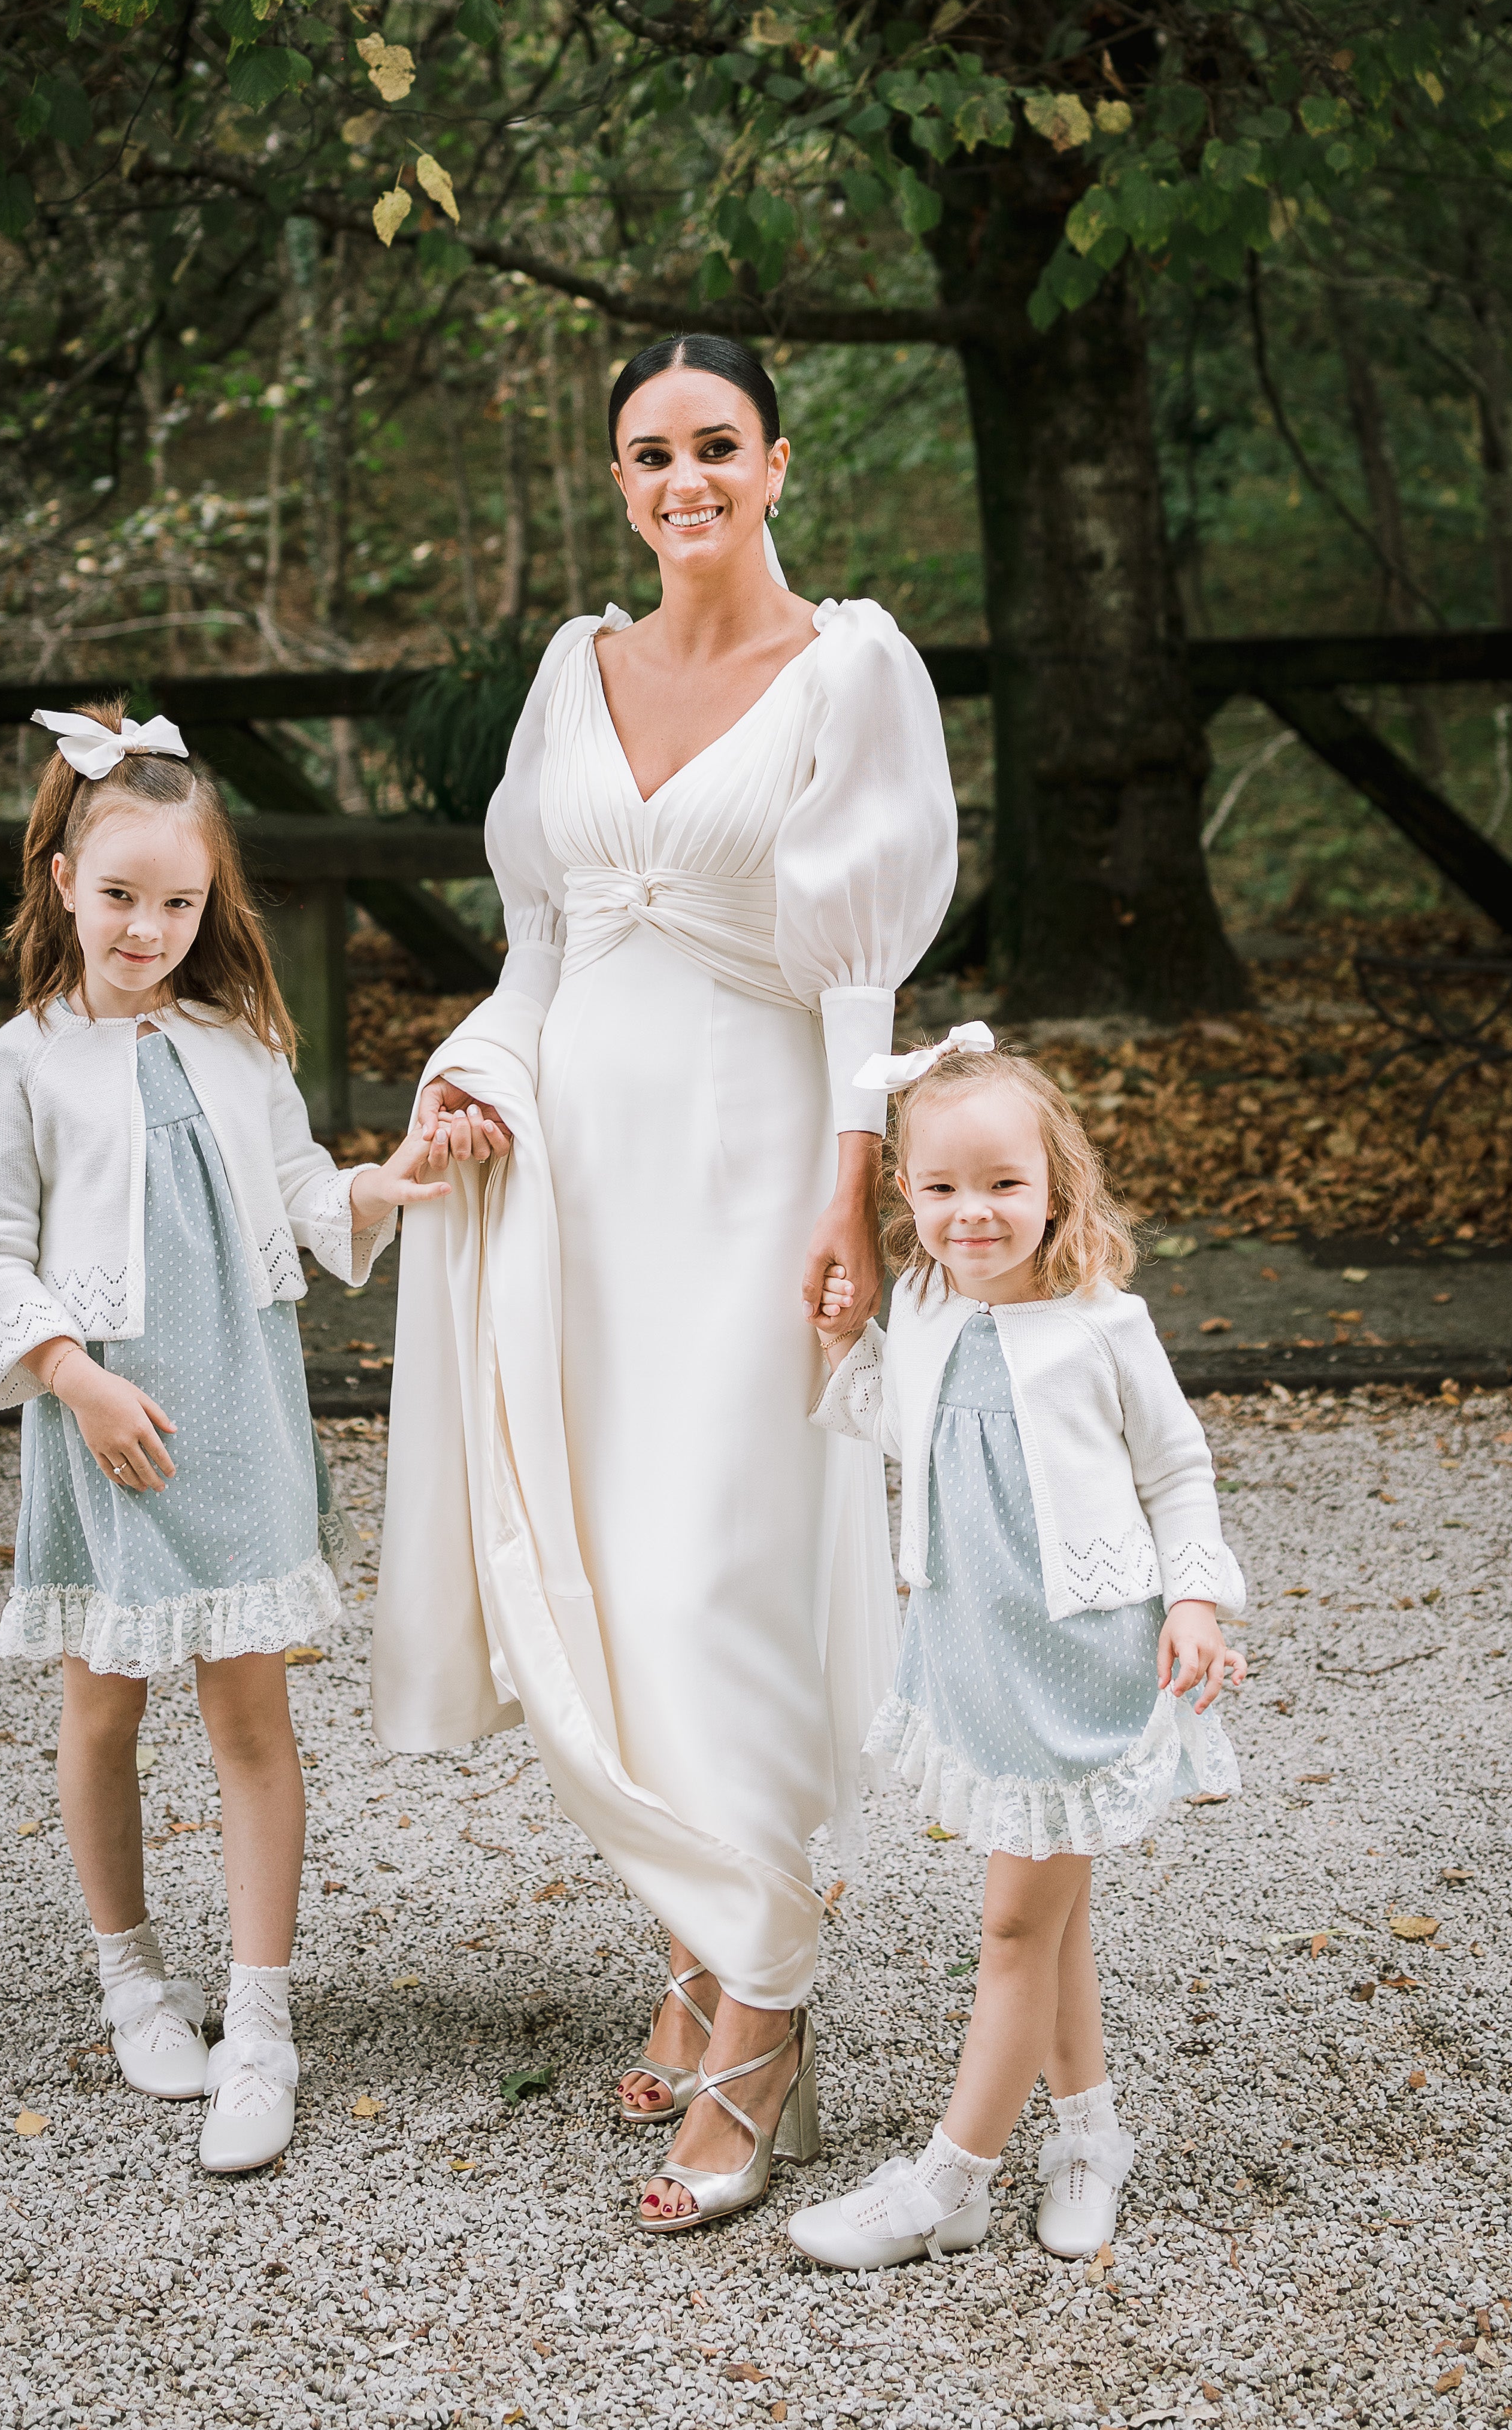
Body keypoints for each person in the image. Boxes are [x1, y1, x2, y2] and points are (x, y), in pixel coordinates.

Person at [372, 331, 959, 2233]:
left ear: (779, 462)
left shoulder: (851, 668)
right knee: (618, 1569)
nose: (683, 477)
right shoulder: (572, 667)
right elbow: (537, 946)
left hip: (755, 1158)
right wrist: (475, 1075)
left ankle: (766, 2017)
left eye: (717, 444)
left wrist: (851, 1197)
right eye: (649, 452)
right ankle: (703, 1940)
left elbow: (862, 972)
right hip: (578, 1176)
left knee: (720, 1564)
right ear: (616, 480)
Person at [0, 699, 488, 2173]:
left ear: (212, 901)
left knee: (252, 1717)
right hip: (111, 1419)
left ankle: (264, 2020)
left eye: (179, 900)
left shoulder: (243, 1042)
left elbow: (306, 1199)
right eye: (120, 894)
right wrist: (72, 1372)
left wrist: (389, 1179)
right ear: (62, 878)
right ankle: (134, 1975)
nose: (149, 926)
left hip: (239, 1409)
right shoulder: (28, 1060)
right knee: (106, 1708)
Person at [787, 1030, 1247, 2268]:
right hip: (973, 1647)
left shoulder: (1103, 1323)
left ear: (1058, 1182)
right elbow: (911, 1434)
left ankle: (951, 2178)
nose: (972, 1212)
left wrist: (1196, 1601)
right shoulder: (932, 1307)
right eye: (940, 1187)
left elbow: (1180, 1466)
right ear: (907, 1195)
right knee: (1053, 1920)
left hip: (1081, 1661)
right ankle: (1090, 2138)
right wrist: (848, 1345)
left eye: (1002, 1183)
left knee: (1009, 1929)